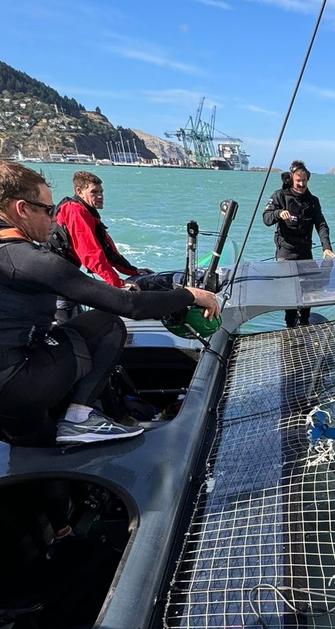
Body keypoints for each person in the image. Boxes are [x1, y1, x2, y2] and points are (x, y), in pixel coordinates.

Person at [0, 162, 219, 447]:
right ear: (22, 209)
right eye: (48, 210)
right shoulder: (27, 259)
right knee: (107, 324)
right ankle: (79, 419)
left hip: (12, 379)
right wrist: (191, 295)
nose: (55, 219)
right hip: (17, 383)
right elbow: (129, 306)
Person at [53, 171, 152, 321]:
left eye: (101, 191)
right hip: (56, 280)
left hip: (67, 275)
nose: (100, 196)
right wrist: (117, 283)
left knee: (77, 320)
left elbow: (107, 248)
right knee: (67, 329)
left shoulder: (87, 211)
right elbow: (90, 253)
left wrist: (131, 270)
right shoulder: (75, 210)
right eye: (94, 192)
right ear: (79, 191)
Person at [263, 160, 335, 328]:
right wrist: (278, 213)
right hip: (286, 254)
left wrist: (327, 247)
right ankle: (289, 327)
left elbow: (321, 225)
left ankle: (304, 323)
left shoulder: (312, 201)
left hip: (305, 253)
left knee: (308, 295)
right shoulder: (279, 196)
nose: (302, 184)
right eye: (298, 181)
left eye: (304, 180)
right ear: (291, 179)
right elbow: (266, 218)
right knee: (289, 297)